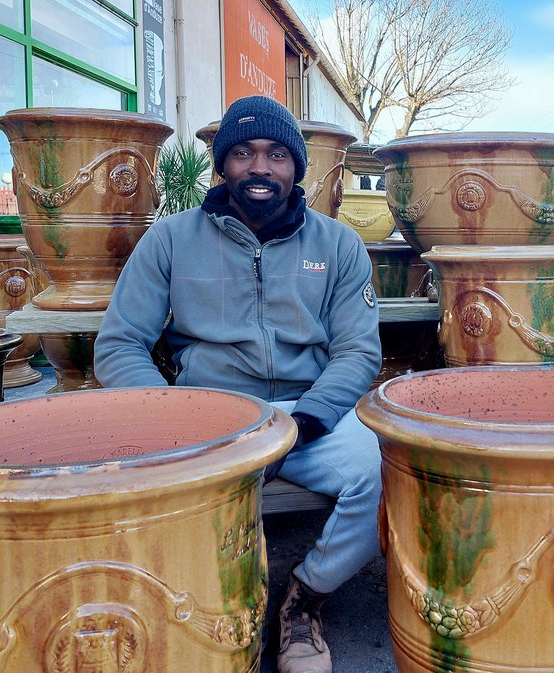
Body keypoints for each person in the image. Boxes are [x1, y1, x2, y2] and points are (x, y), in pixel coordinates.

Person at [94, 95, 382, 673]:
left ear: (297, 167)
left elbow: (357, 351)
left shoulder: (339, 245)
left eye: (276, 154)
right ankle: (201, 616)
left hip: (310, 417)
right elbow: (119, 343)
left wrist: (302, 426)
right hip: (214, 416)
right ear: (222, 165)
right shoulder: (171, 240)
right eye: (244, 153)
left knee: (385, 472)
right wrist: (174, 420)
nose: (260, 167)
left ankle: (303, 601)